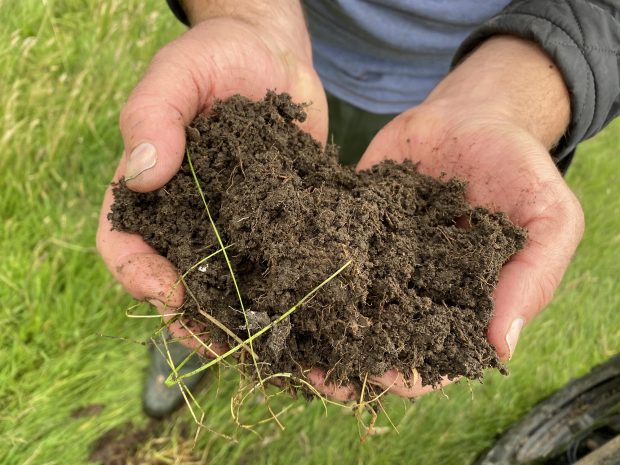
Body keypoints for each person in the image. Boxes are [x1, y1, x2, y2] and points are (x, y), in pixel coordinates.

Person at [96, 0, 620, 418]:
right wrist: (246, 15)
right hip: (283, 57)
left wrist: (519, 96)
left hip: (477, 95)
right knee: (196, 284)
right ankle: (189, 338)